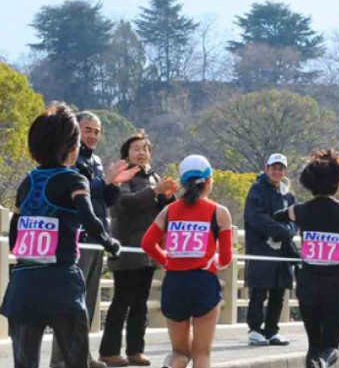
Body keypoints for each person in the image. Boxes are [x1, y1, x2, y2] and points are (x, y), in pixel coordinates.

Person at [0, 103, 122, 368]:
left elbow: (14, 230)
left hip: (22, 284)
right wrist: (110, 243)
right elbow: (91, 221)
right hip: (61, 285)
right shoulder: (74, 180)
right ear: (72, 145)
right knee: (75, 362)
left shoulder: (28, 181)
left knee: (24, 363)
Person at [53, 111, 138, 368]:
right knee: (71, 301)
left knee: (87, 302)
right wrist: (105, 181)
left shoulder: (97, 161)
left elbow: (106, 201)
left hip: (96, 237)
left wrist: (113, 185)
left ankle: (81, 356)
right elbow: (81, 195)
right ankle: (60, 361)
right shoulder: (68, 158)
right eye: (87, 130)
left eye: (97, 132)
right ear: (75, 131)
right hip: (76, 238)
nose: (92, 136)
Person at [273, 149, 339, 368]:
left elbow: (278, 216)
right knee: (331, 346)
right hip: (336, 282)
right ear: (337, 181)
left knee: (313, 345)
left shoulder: (300, 211)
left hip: (308, 282)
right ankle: (325, 362)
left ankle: (317, 362)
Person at [141, 155, 233, 368]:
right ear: (209, 181)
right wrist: (214, 264)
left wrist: (166, 260)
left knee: (179, 352)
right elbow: (226, 258)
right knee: (202, 355)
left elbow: (147, 243)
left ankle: (171, 365)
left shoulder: (169, 211)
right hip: (203, 282)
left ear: (182, 183)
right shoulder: (219, 212)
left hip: (174, 283)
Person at [100, 132, 177, 367]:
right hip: (126, 247)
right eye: (136, 148)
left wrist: (168, 196)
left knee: (141, 302)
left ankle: (135, 350)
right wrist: (153, 192)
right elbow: (122, 205)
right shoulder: (122, 175)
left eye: (145, 148)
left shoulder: (154, 177)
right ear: (127, 153)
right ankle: (109, 351)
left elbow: (167, 213)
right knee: (121, 300)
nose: (141, 152)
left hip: (148, 250)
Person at [244, 153, 297, 347]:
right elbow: (256, 217)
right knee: (259, 290)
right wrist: (280, 231)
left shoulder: (287, 194)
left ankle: (272, 330)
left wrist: (289, 232)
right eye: (273, 167)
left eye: (280, 168)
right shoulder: (257, 189)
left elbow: (294, 217)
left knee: (278, 291)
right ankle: (255, 329)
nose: (277, 171)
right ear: (266, 169)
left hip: (282, 250)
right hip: (261, 248)